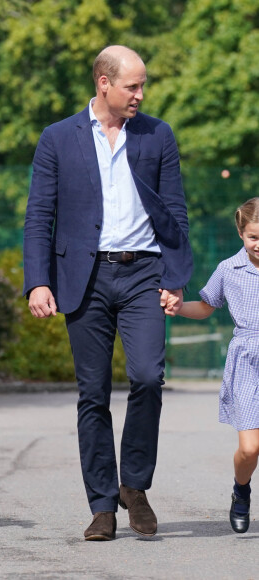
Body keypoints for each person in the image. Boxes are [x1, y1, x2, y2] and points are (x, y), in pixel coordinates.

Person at [23, 45, 193, 541]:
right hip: (85, 278)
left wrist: (175, 277)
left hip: (144, 273)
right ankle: (102, 504)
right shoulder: (57, 138)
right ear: (103, 82)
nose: (140, 94)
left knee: (146, 378)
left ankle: (134, 486)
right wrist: (38, 280)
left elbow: (175, 211)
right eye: (132, 86)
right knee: (92, 394)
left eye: (142, 86)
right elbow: (39, 216)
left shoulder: (157, 135)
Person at [177, 197, 259, 534]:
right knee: (250, 447)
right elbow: (206, 306)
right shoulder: (229, 269)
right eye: (254, 236)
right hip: (247, 360)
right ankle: (241, 490)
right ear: (241, 233)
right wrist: (176, 306)